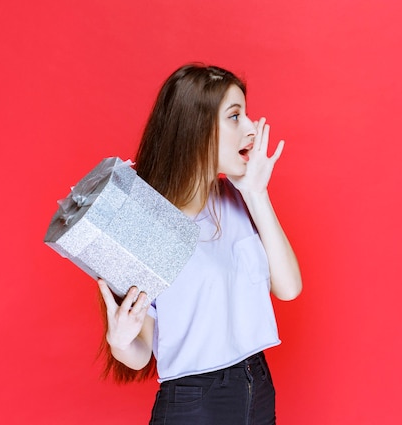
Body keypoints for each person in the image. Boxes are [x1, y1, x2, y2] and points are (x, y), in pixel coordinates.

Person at [97, 64, 302, 425]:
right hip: (196, 402)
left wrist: (257, 195)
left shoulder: (236, 198)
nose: (252, 128)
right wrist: (119, 340)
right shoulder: (145, 223)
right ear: (197, 128)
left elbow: (288, 288)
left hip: (257, 385)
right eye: (235, 117)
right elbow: (141, 352)